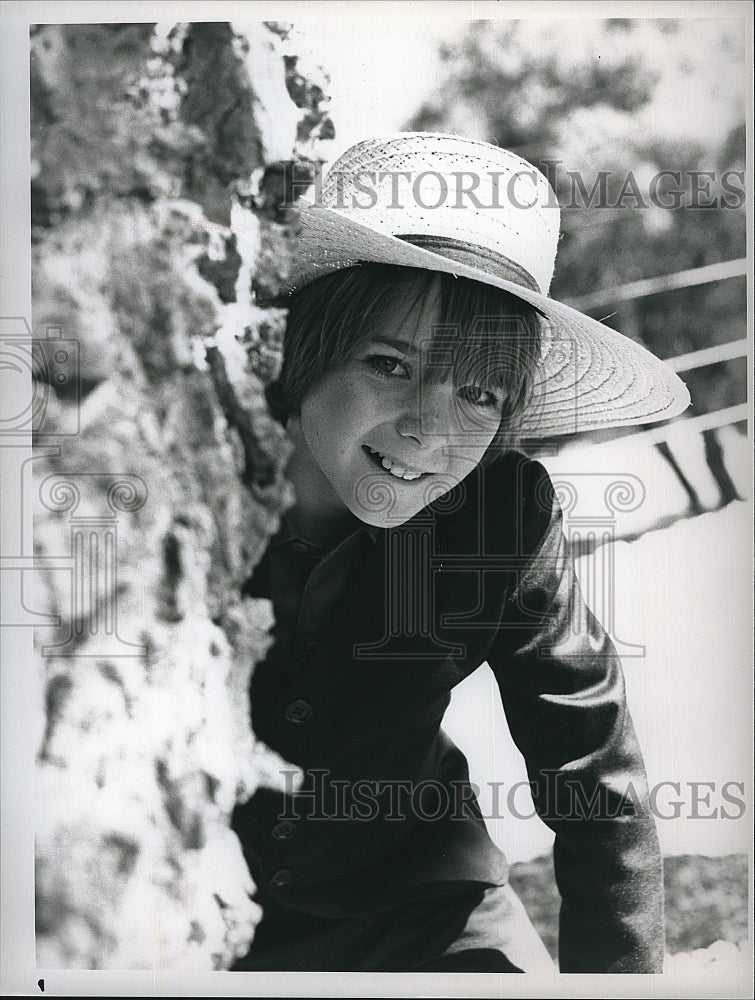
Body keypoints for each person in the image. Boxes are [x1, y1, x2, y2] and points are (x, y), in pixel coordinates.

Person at [230, 132, 691, 973]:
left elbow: (596, 784)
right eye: (390, 364)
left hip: (425, 907)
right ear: (304, 348)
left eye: (478, 394)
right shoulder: (194, 482)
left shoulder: (499, 516)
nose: (428, 431)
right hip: (206, 911)